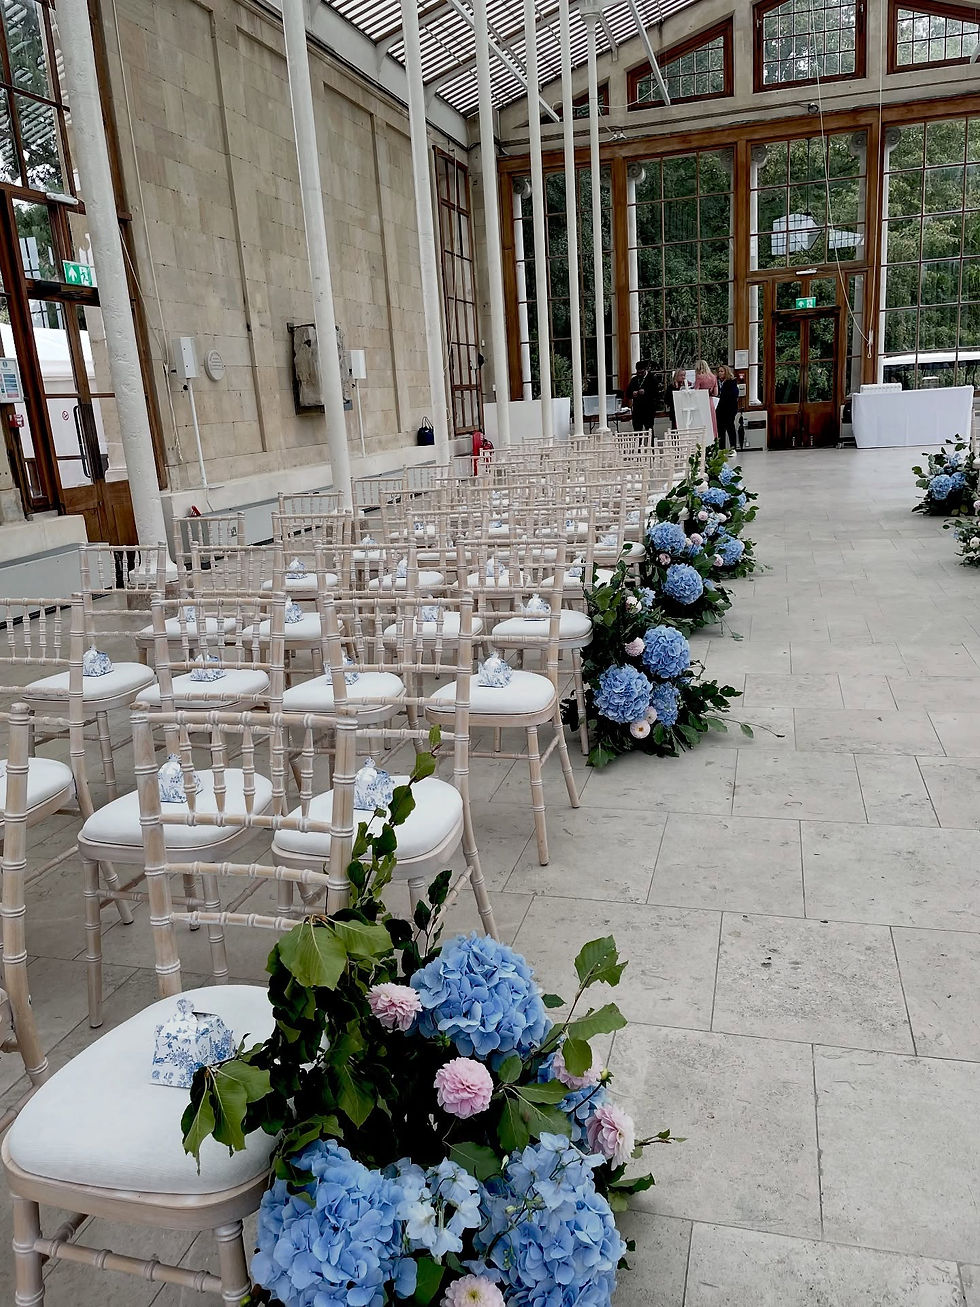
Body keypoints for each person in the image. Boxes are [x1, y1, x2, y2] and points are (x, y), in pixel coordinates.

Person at [626, 359, 657, 432]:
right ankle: (638, 443)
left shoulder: (652, 379)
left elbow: (656, 393)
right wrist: (632, 394)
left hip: (648, 408)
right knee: (637, 429)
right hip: (637, 409)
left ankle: (651, 443)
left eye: (641, 372)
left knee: (649, 428)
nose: (639, 374)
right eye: (638, 372)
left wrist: (645, 392)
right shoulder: (634, 380)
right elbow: (628, 393)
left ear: (645, 370)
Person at [715, 364, 741, 450]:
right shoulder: (717, 382)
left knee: (730, 428)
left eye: (722, 371)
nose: (720, 373)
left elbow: (734, 395)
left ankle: (733, 447)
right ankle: (721, 448)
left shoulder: (731, 383)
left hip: (729, 409)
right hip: (720, 409)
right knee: (720, 430)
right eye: (719, 371)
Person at [694, 359, 719, 439]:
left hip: (702, 402)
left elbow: (696, 391)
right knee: (712, 422)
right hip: (710, 401)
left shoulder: (699, 377)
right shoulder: (713, 377)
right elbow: (716, 393)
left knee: (702, 422)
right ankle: (714, 439)